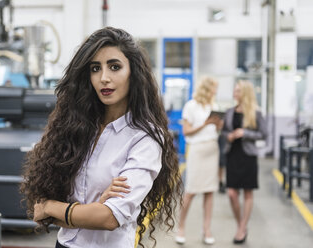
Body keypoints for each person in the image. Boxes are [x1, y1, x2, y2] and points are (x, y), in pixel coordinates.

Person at [20, 27, 182, 248]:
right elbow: (40, 212)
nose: (104, 78)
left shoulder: (145, 139)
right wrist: (90, 209)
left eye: (115, 67)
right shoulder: (76, 128)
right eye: (95, 68)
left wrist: (52, 207)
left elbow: (109, 218)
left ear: (133, 72)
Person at [176, 77, 222, 245]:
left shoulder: (213, 106)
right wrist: (205, 123)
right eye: (213, 88)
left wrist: (217, 125)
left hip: (212, 149)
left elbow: (216, 131)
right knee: (191, 191)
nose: (215, 92)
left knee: (209, 192)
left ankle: (206, 229)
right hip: (197, 151)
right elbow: (187, 132)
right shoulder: (191, 106)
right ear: (206, 88)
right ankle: (181, 227)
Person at [222, 80, 267, 244]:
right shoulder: (229, 111)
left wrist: (245, 133)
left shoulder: (255, 112)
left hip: (248, 156)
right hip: (232, 154)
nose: (235, 92)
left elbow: (264, 133)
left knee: (248, 192)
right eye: (235, 89)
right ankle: (240, 223)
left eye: (238, 90)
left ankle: (242, 227)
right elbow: (224, 131)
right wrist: (229, 135)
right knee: (232, 193)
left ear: (245, 93)